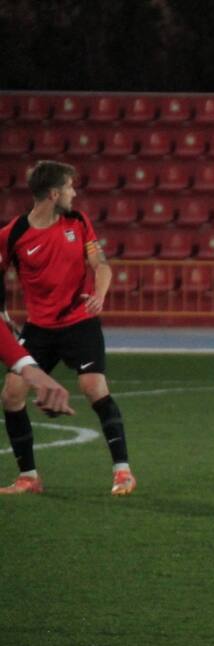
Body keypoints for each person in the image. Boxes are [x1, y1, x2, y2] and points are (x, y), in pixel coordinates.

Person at [0, 160, 133, 497]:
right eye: (70, 188)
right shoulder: (13, 235)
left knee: (93, 387)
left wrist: (99, 294)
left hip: (80, 323)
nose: (75, 193)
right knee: (12, 393)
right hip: (39, 328)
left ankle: (123, 472)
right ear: (54, 193)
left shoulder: (77, 221)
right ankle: (29, 477)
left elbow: (100, 264)